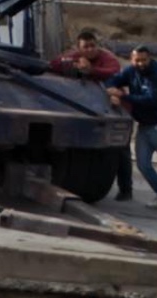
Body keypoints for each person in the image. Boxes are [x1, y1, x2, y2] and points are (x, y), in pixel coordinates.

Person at [51, 31, 130, 200]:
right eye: (85, 47)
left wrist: (91, 69)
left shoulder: (107, 58)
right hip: (86, 108)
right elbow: (54, 64)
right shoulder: (74, 57)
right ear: (79, 48)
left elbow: (114, 71)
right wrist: (72, 64)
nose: (90, 50)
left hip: (112, 108)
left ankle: (126, 189)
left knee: (121, 152)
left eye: (92, 45)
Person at [106, 46, 157, 213]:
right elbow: (113, 80)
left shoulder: (156, 75)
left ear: (149, 59)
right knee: (143, 164)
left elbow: (151, 99)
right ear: (132, 60)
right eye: (137, 60)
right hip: (144, 126)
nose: (140, 64)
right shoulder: (131, 71)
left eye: (143, 60)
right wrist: (112, 90)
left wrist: (123, 96)